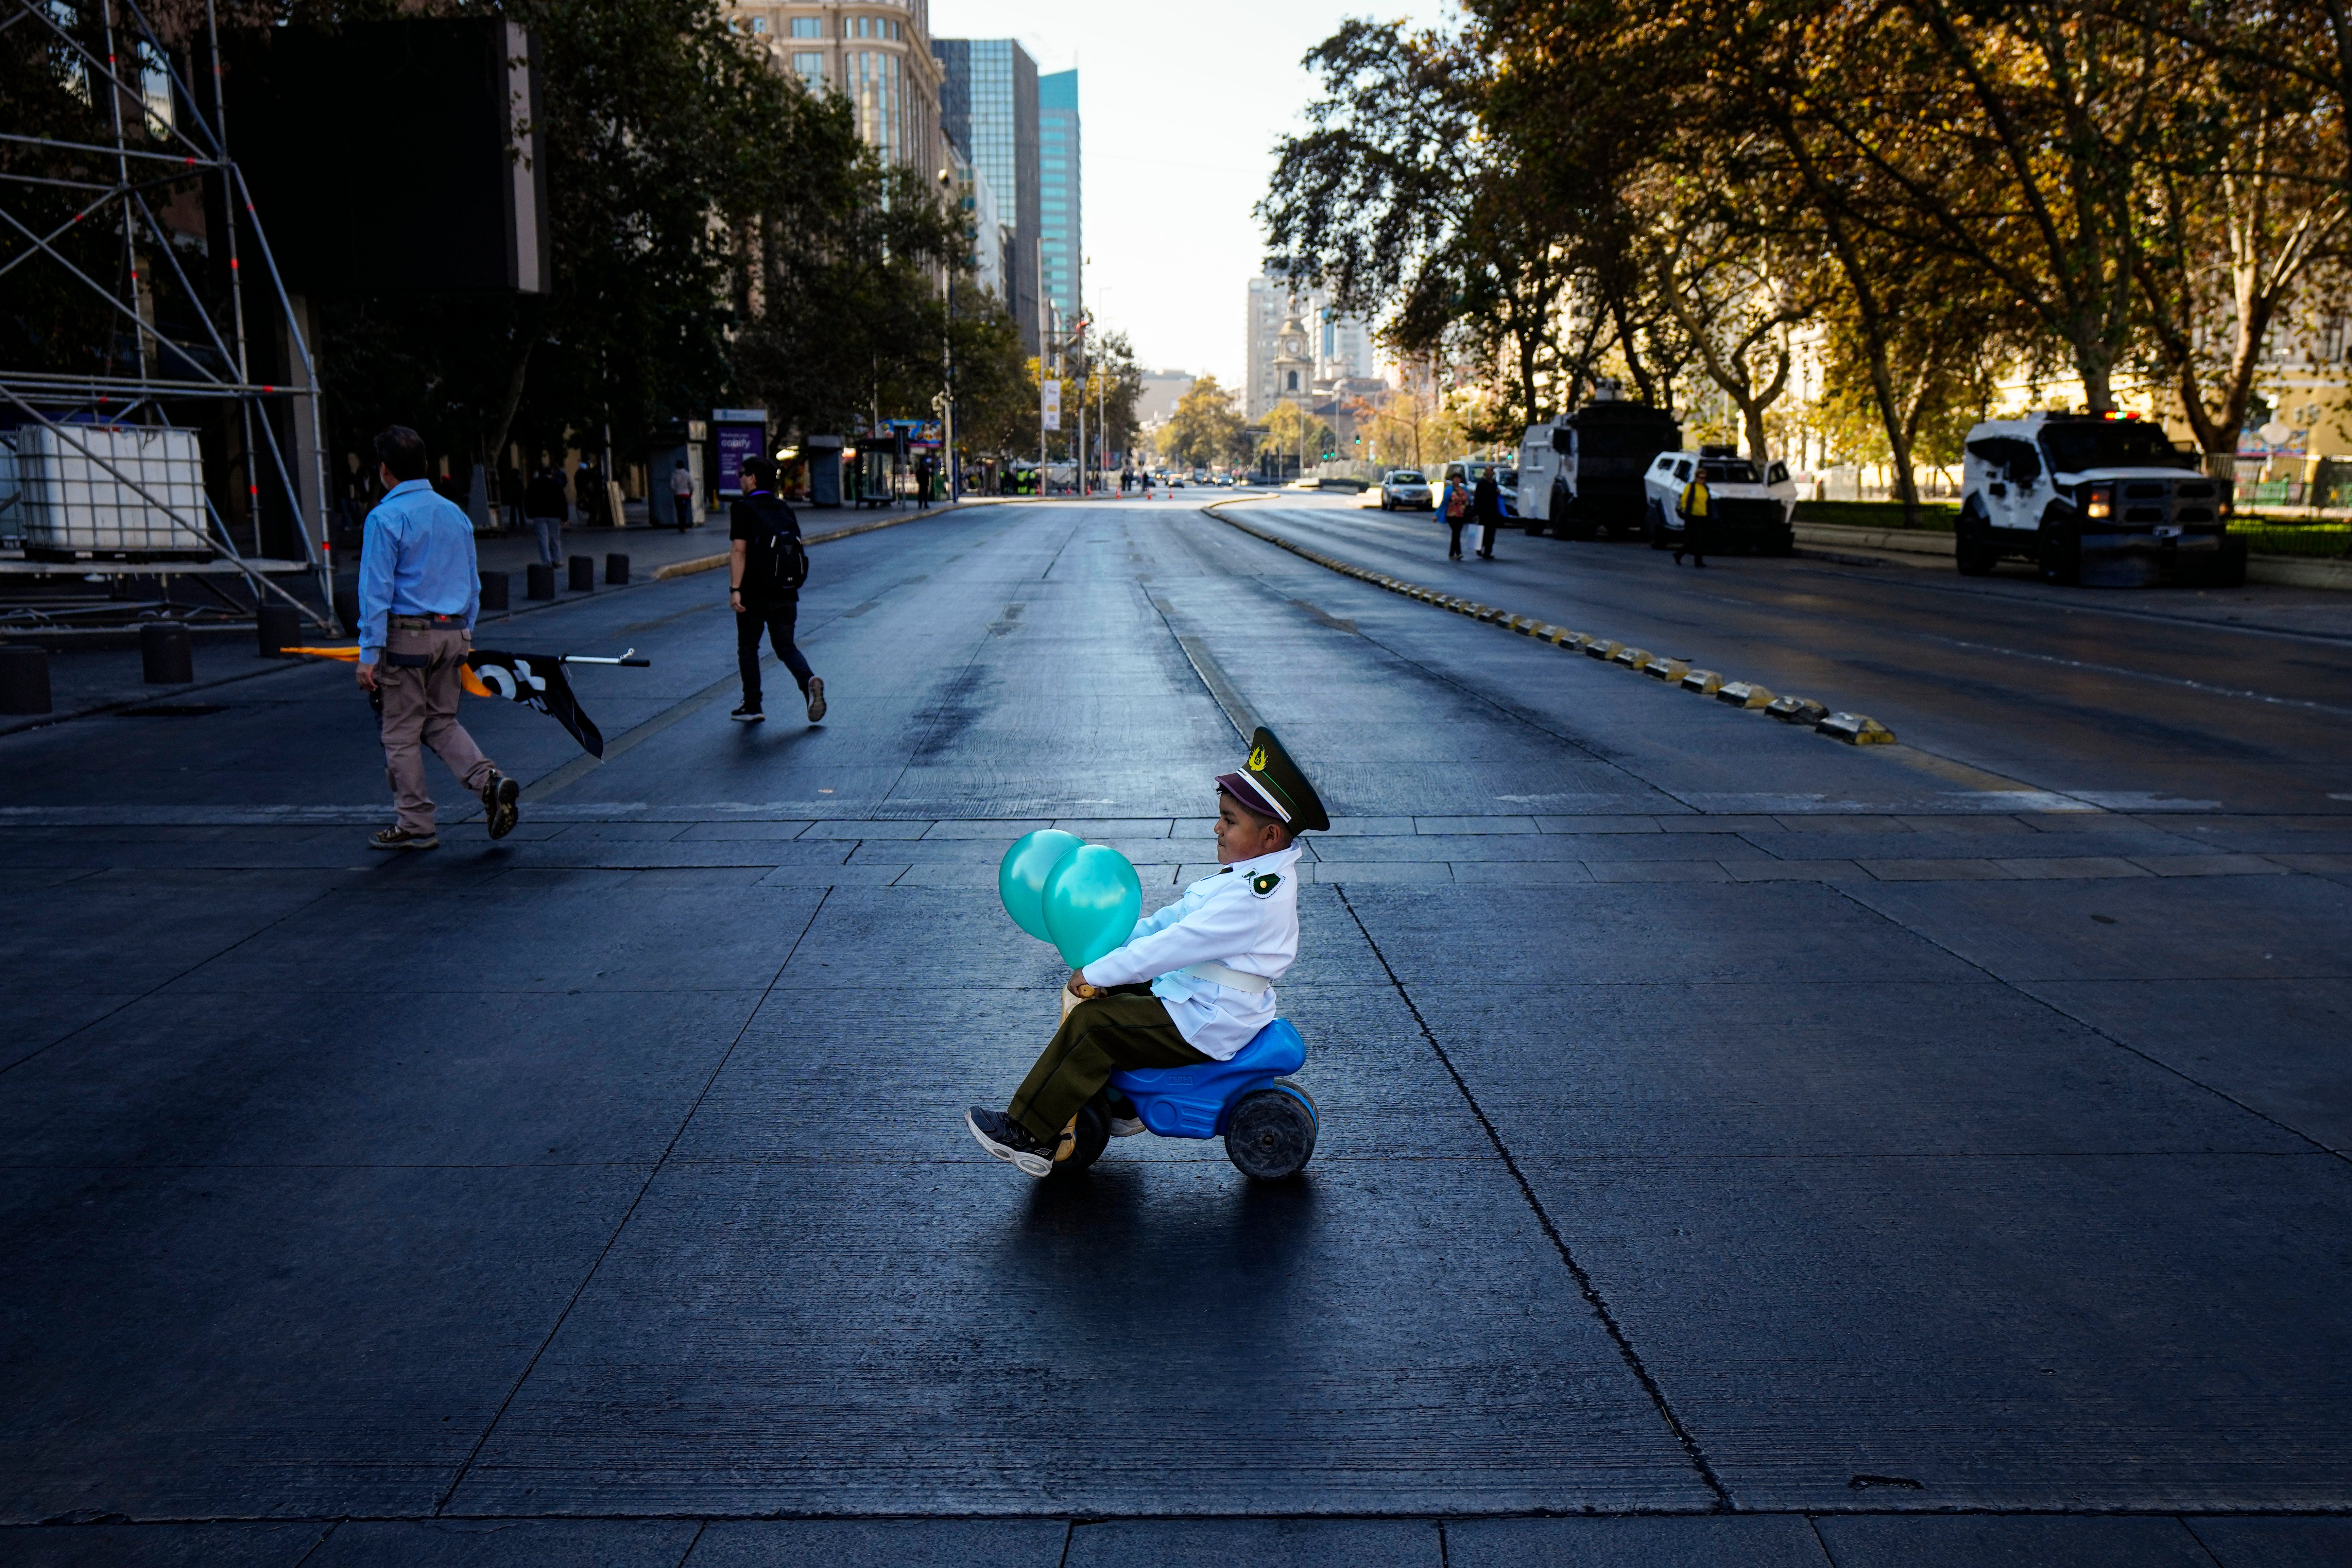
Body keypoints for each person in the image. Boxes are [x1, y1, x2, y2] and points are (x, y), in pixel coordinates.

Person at [966, 728, 1329, 1178]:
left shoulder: (1251, 898)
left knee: (1092, 1024)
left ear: (1270, 835)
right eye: (1221, 816)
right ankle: (1119, 1101)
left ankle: (1029, 1132)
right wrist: (1115, 945)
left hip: (1209, 1017)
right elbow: (1170, 921)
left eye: (1230, 821)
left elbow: (1171, 947)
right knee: (1118, 995)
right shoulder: (1247, 876)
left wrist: (1097, 972)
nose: (1217, 827)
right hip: (1203, 997)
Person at [355, 425, 519, 851]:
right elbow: (473, 582)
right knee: (440, 720)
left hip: (406, 638)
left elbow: (376, 590)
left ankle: (414, 823)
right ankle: (489, 781)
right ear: (425, 466)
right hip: (453, 632)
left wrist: (368, 654)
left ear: (385, 471)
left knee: (400, 733)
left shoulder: (385, 517)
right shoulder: (455, 513)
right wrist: (466, 634)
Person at [728, 456, 826, 725]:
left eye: (742, 474)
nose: (740, 478)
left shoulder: (743, 508)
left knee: (748, 648)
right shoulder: (784, 508)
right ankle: (808, 681)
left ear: (753, 479)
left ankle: (753, 705)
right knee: (785, 646)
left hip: (754, 593)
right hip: (785, 591)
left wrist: (735, 589)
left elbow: (739, 549)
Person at [523, 464, 568, 566]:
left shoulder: (534, 484)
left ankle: (546, 561)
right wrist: (564, 517)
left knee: (542, 538)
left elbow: (528, 499)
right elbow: (562, 501)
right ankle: (556, 559)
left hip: (539, 514)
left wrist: (529, 513)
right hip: (554, 515)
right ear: (551, 473)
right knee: (555, 537)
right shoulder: (556, 484)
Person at [1675, 468, 1711, 567]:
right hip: (1693, 517)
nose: (1702, 480)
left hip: (1703, 517)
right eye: (1700, 478)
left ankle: (1679, 555)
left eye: (1704, 478)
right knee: (1697, 539)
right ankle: (1698, 560)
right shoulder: (1691, 487)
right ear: (1696, 477)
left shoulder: (1705, 488)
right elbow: (1684, 500)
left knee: (1695, 540)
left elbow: (1708, 502)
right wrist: (1687, 512)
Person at [1474, 467, 1504, 561]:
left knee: (1491, 533)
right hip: (1483, 512)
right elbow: (1477, 499)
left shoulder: (1494, 483)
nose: (1489, 473)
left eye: (1491, 472)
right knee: (1483, 531)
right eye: (1488, 472)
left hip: (1493, 512)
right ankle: (1480, 547)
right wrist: (1477, 513)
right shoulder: (1481, 484)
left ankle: (1488, 552)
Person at [1443, 472, 1469, 560]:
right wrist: (1438, 515)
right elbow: (1444, 503)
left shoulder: (1464, 489)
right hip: (1451, 515)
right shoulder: (1449, 490)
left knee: (1456, 534)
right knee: (1456, 532)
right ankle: (1459, 552)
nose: (1457, 480)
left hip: (1461, 515)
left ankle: (1452, 553)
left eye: (1459, 479)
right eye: (1455, 479)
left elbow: (1468, 500)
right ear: (1452, 480)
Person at [669, 460, 696, 531]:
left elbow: (672, 486)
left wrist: (675, 491)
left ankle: (680, 525)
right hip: (686, 495)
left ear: (677, 466)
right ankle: (683, 526)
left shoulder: (674, 475)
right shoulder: (687, 474)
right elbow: (691, 485)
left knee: (679, 511)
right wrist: (691, 492)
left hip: (677, 495)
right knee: (684, 510)